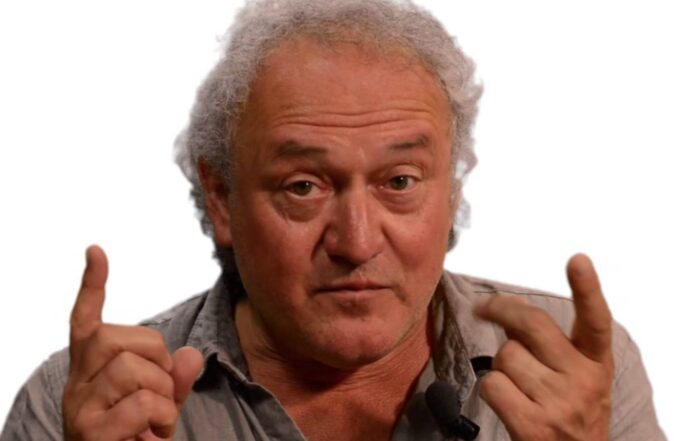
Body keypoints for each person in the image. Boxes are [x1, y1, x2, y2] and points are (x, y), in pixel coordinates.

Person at [0, 0, 665, 440]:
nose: (356, 241)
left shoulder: (577, 372)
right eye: (304, 186)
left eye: (399, 182)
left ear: (452, 185)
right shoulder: (80, 404)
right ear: (221, 198)